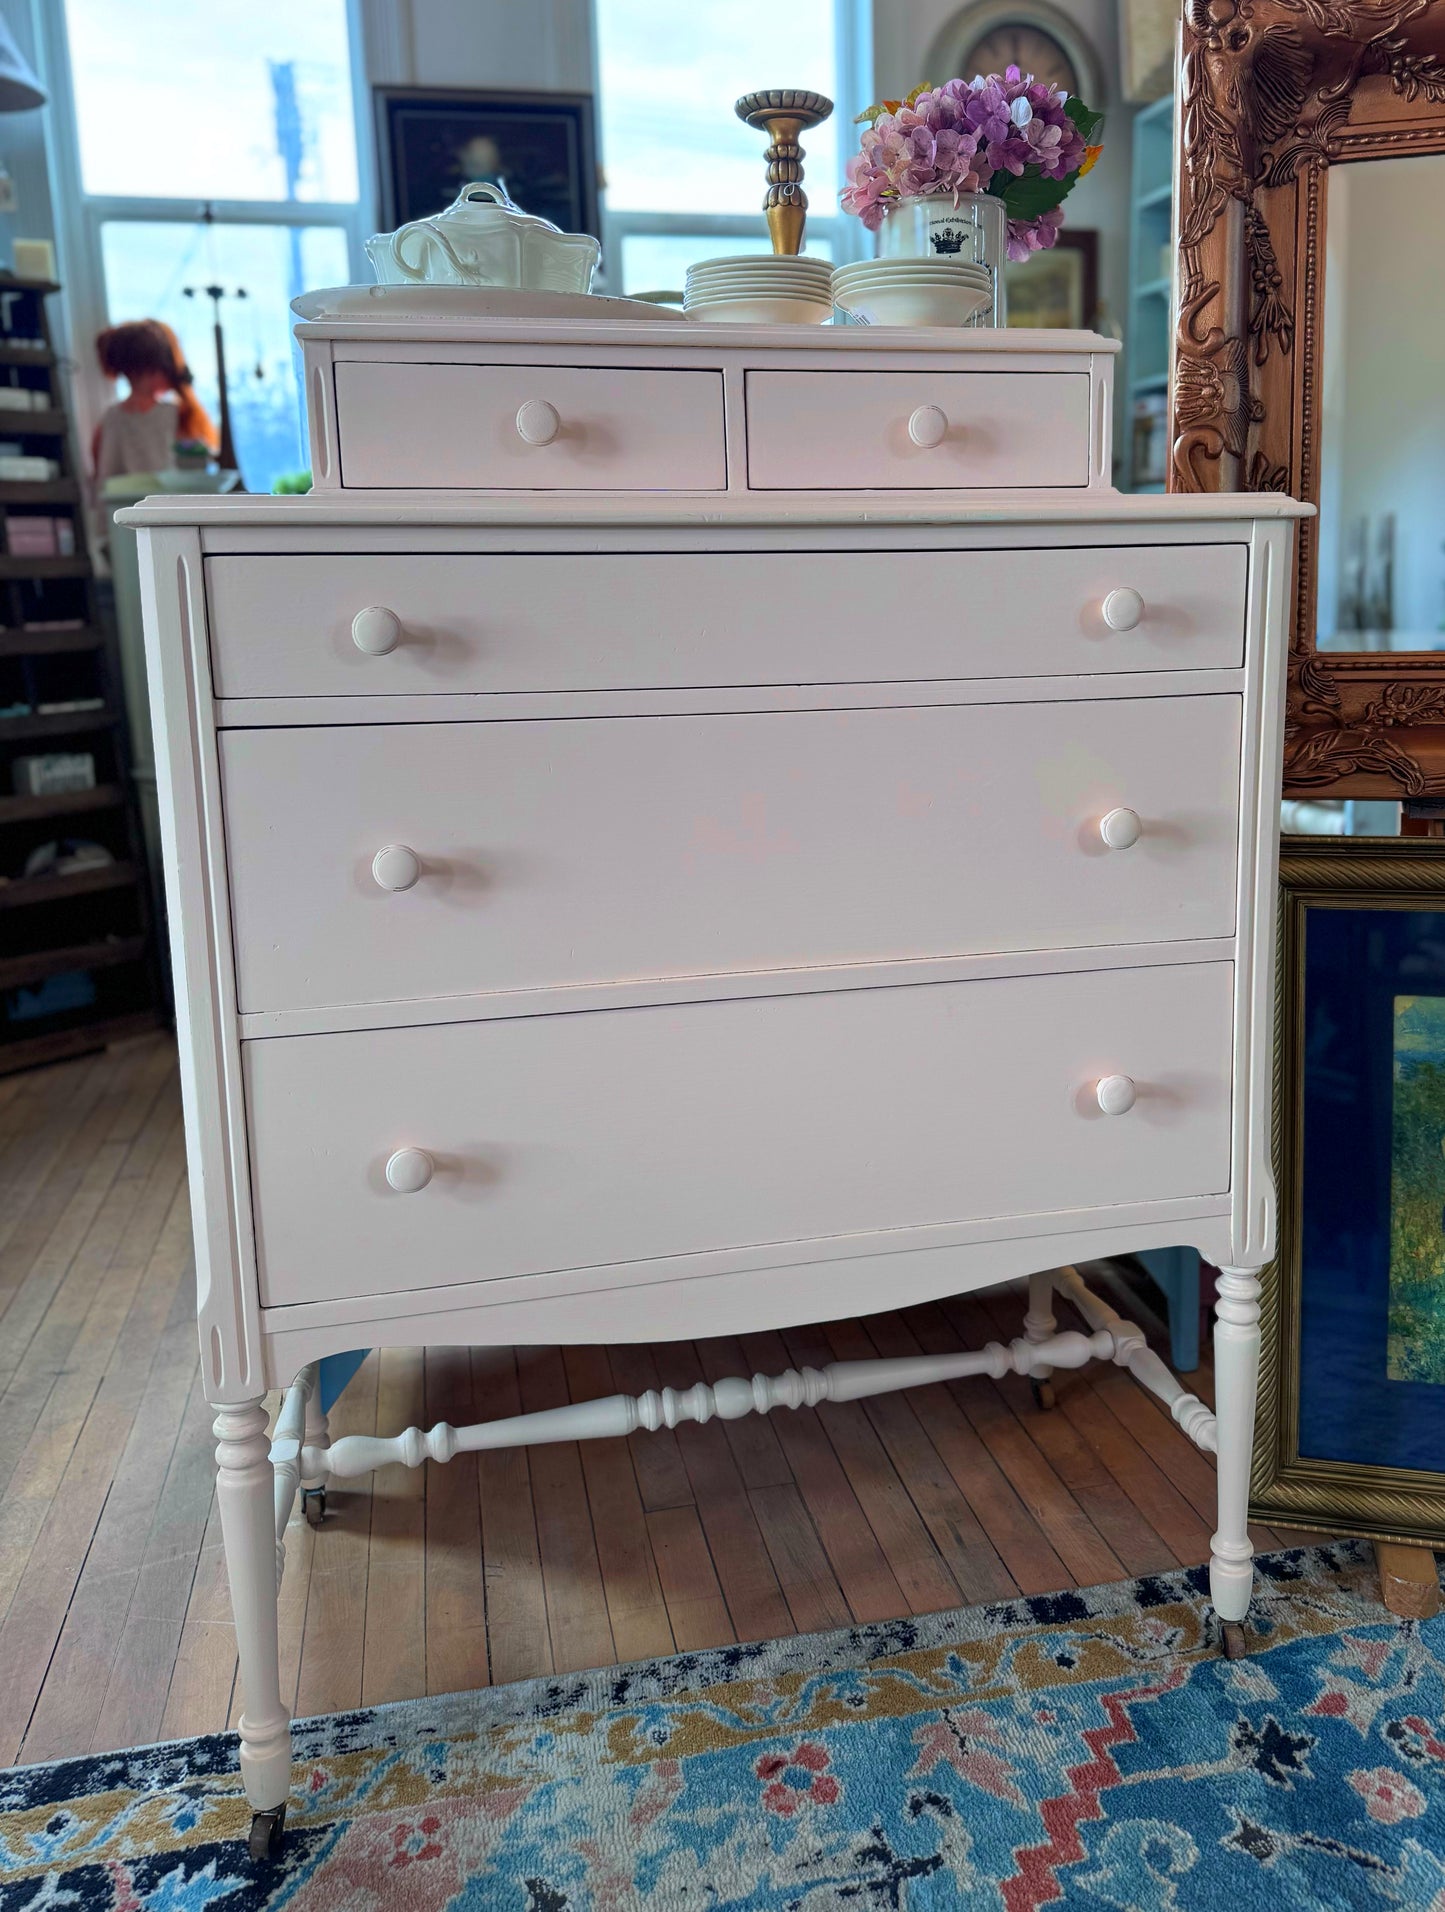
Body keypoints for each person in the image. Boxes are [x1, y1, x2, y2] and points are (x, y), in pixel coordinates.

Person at [92, 319, 218, 479]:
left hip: (118, 504)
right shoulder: (175, 416)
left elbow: (99, 475)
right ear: (158, 366)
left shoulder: (109, 419)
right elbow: (197, 469)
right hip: (162, 502)